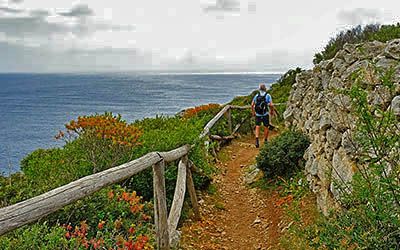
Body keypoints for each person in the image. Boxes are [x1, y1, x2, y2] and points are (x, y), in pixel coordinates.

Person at [251, 83, 275, 148]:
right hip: (265, 114)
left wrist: (253, 112)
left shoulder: (257, 95)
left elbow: (252, 104)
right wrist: (272, 111)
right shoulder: (268, 95)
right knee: (266, 126)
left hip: (258, 114)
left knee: (257, 126)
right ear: (265, 89)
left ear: (259, 89)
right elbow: (271, 105)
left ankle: (257, 140)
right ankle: (266, 140)